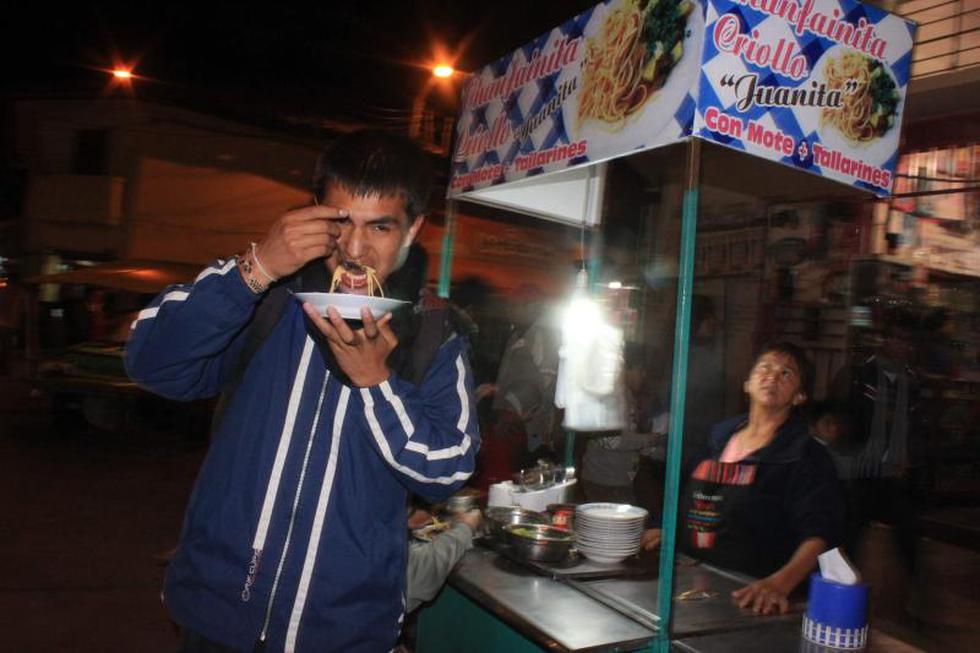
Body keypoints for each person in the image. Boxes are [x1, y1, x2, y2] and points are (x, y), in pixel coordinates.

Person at [125, 130, 479, 653]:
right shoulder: (265, 301)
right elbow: (152, 363)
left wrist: (376, 383)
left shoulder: (434, 334)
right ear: (315, 215)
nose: (355, 250)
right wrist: (258, 267)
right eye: (340, 224)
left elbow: (449, 465)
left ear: (413, 229)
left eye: (379, 227)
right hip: (216, 615)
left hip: (344, 632)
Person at [643, 342, 842, 616]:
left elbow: (819, 533)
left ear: (799, 396)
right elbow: (681, 490)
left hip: (752, 594)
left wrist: (780, 583)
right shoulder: (717, 438)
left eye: (786, 373)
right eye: (765, 368)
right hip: (694, 580)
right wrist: (663, 526)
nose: (772, 376)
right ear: (747, 383)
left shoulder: (805, 456)